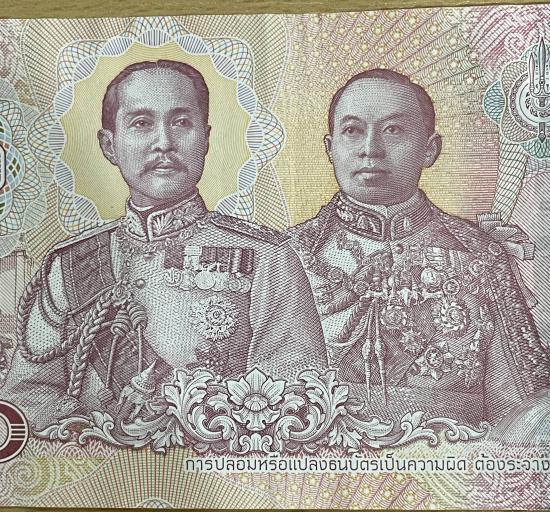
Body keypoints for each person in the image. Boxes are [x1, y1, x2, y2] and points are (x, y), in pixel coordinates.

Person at [0, 60, 327, 432]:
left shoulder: (268, 256)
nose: (164, 143)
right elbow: (27, 396)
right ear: (109, 145)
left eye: (181, 122)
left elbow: (295, 397)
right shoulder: (70, 263)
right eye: (141, 123)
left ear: (205, 139)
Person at [288, 69, 550, 427]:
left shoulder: (481, 256)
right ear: (330, 148)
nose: (371, 149)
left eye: (393, 130)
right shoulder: (289, 255)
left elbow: (525, 414)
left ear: (430, 149)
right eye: (352, 131)